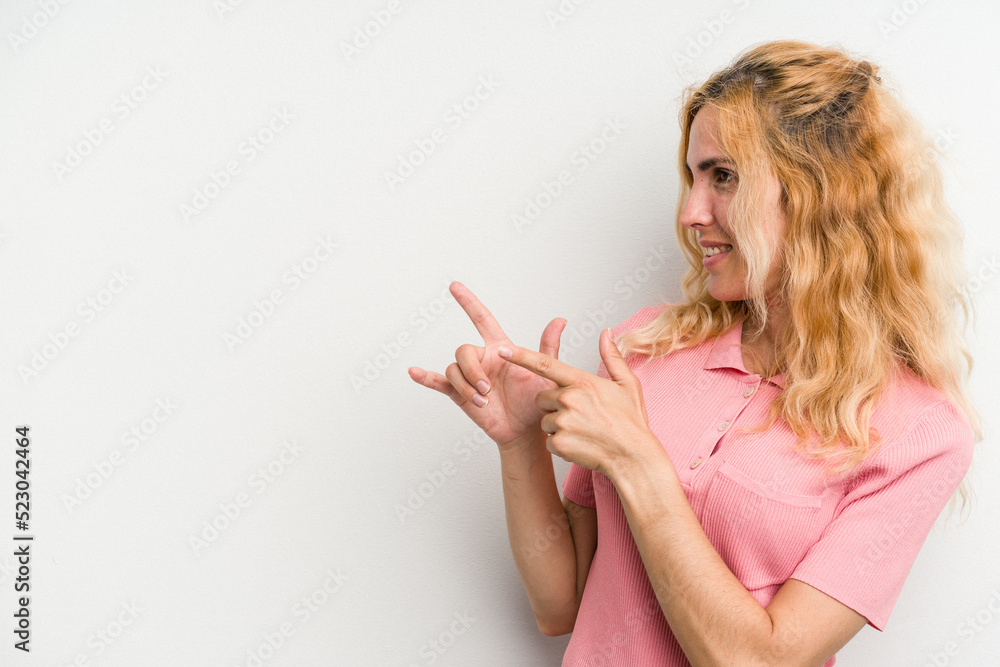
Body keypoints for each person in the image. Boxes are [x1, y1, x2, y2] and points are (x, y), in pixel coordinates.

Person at [408, 39, 981, 666]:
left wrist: (639, 461)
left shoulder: (920, 432)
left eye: (724, 176)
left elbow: (760, 661)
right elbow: (561, 605)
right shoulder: (647, 347)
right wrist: (518, 442)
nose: (690, 213)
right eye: (693, 176)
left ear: (820, 194)